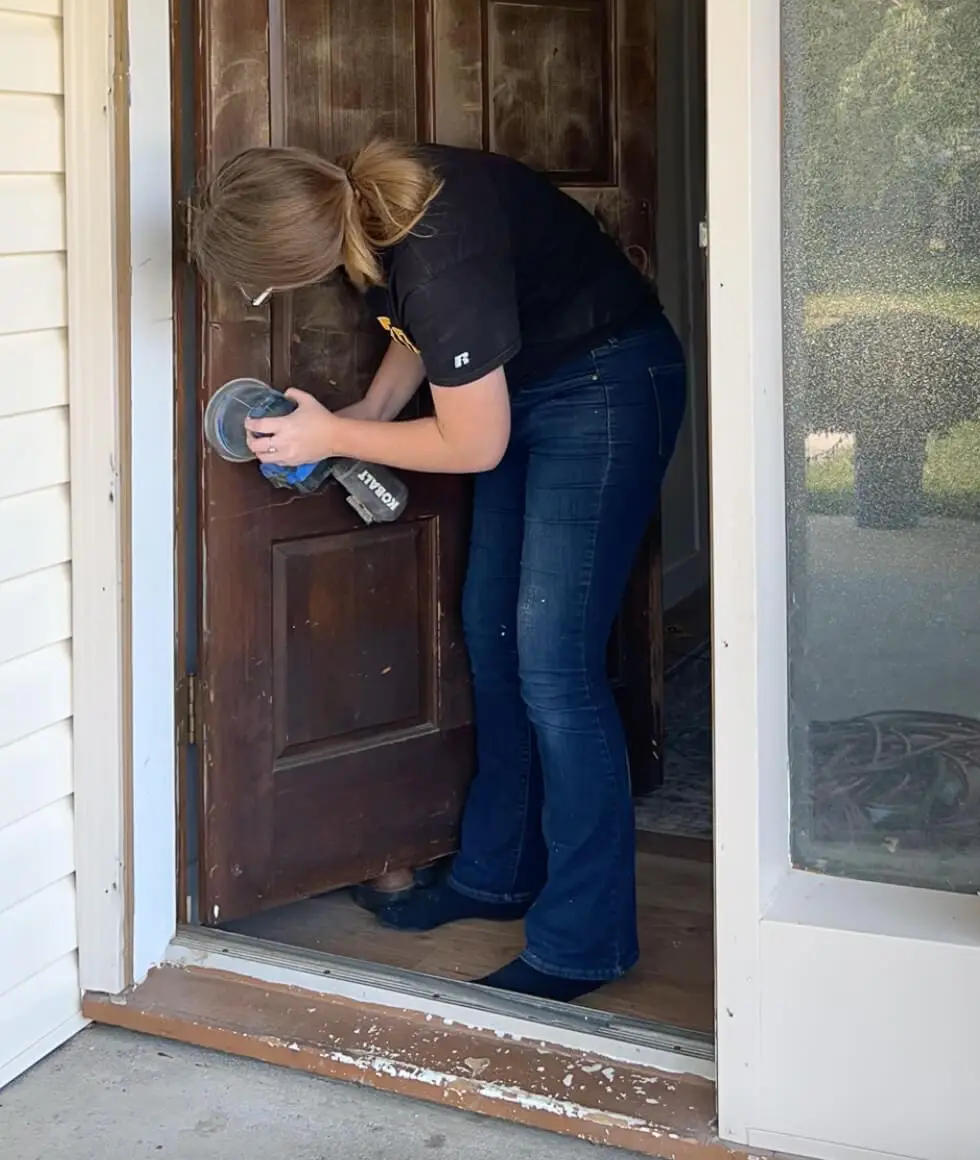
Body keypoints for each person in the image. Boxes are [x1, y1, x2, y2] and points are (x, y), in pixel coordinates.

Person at [189, 138, 686, 1003]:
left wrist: (335, 437)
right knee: (494, 638)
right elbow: (434, 337)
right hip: (521, 388)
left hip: (604, 386)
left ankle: (584, 942)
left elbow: (473, 438)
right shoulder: (368, 206)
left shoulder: (432, 245)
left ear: (296, 263)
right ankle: (496, 874)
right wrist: (370, 411)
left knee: (557, 670)